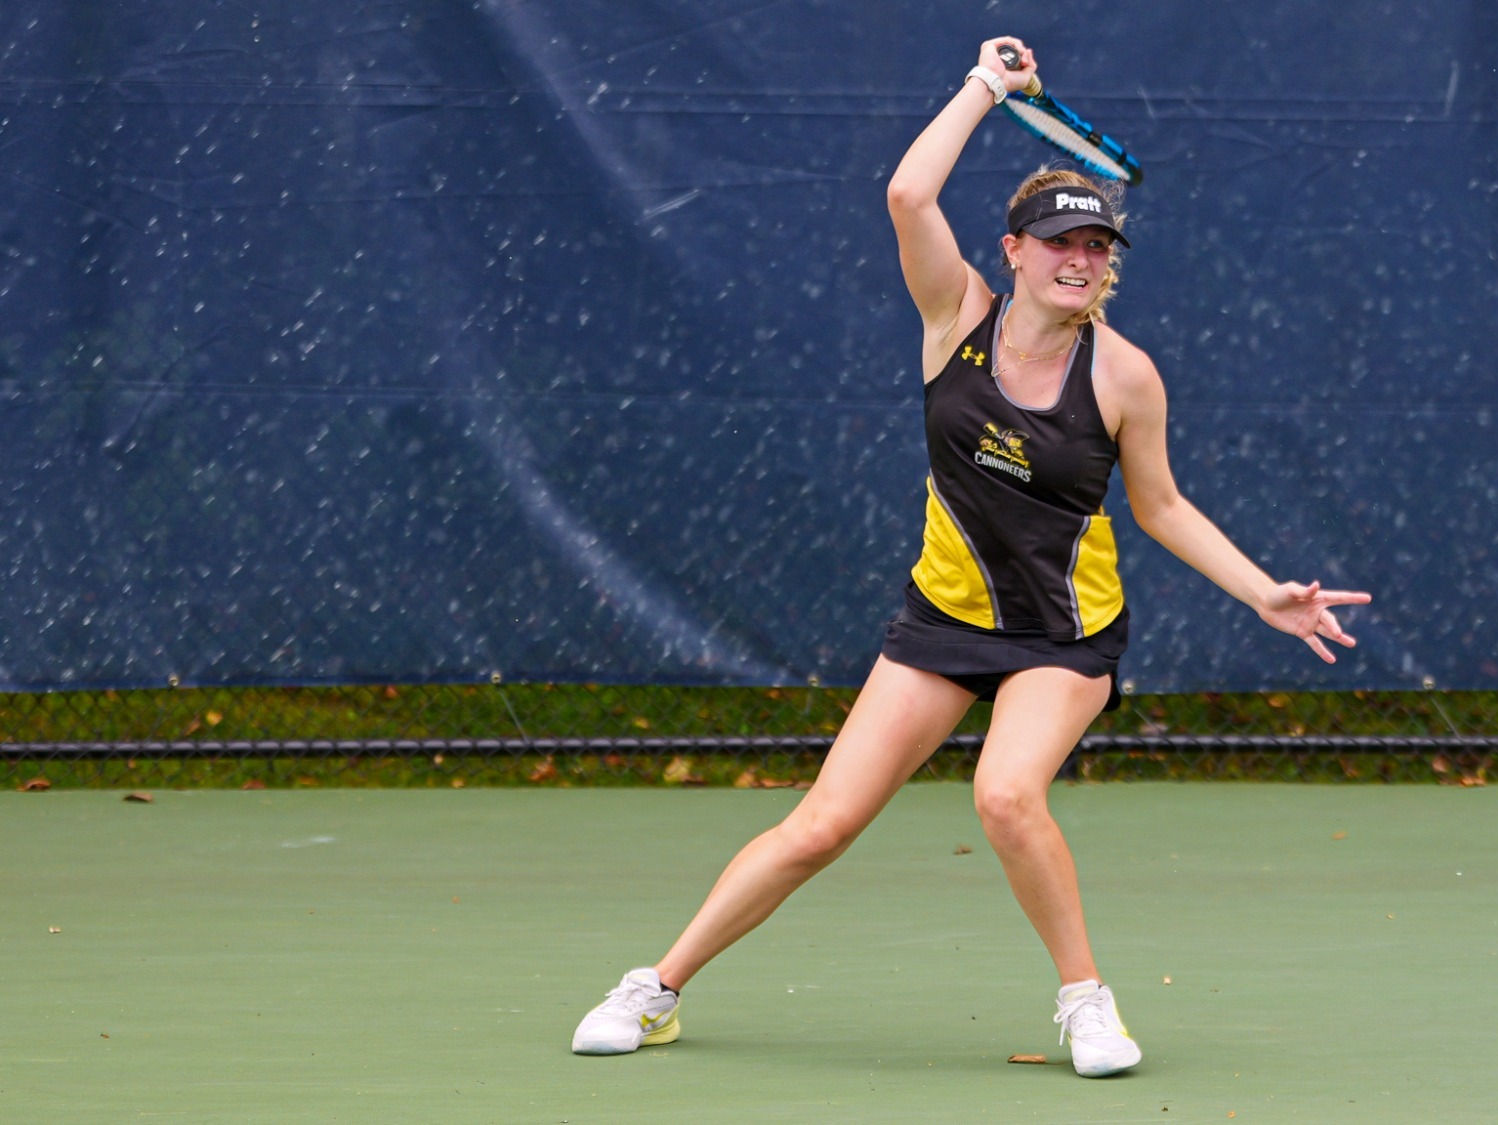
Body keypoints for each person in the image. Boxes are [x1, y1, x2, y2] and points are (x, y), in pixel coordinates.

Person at [570, 36, 1371, 1078]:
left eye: (1098, 247)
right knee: (819, 826)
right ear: (1013, 249)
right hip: (940, 623)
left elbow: (1161, 508)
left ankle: (1085, 1004)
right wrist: (985, 89)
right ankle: (657, 989)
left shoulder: (1124, 377)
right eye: (1060, 244)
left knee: (1003, 795)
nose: (1081, 260)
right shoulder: (954, 320)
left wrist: (1263, 591)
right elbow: (908, 196)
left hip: (1060, 637)